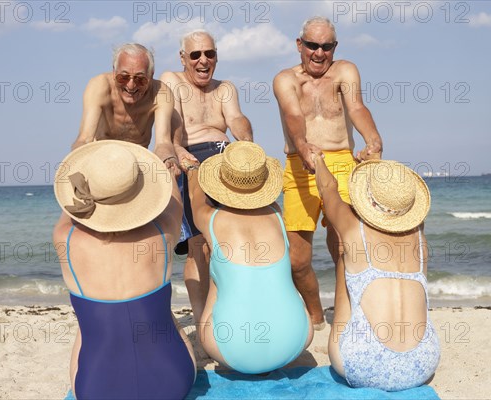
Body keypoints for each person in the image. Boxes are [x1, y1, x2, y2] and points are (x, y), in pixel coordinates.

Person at [53, 140, 196, 399]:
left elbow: (69, 207)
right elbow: (173, 199)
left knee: (87, 325)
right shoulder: (162, 233)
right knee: (162, 313)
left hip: (95, 391)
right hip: (172, 384)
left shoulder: (65, 237)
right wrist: (165, 155)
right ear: (139, 195)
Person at [273, 16, 383, 328]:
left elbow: (357, 107)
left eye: (326, 46)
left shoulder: (345, 71)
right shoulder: (285, 79)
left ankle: (348, 312)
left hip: (342, 163)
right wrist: (302, 144)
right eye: (312, 45)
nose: (318, 53)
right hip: (300, 165)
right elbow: (293, 114)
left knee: (345, 246)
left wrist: (372, 139)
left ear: (334, 48)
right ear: (299, 45)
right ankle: (315, 314)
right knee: (297, 260)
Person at [313, 155, 440, 391]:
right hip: (422, 363)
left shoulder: (353, 230)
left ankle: (345, 338)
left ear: (366, 199)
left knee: (345, 257)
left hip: (364, 365)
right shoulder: (420, 237)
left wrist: (318, 161)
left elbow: (328, 188)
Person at [186, 141, 314, 374]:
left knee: (209, 253)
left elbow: (196, 194)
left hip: (231, 351)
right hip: (297, 340)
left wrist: (192, 169)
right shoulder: (277, 213)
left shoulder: (210, 219)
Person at [160, 29, 253, 327]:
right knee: (198, 245)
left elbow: (236, 118)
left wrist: (247, 143)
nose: (203, 60)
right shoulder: (171, 80)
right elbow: (171, 120)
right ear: (183, 58)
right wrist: (177, 150)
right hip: (191, 159)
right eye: (196, 54)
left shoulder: (225, 88)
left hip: (226, 159)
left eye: (209, 54)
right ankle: (202, 319)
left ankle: (230, 309)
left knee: (229, 240)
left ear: (216, 57)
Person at [71, 43, 180, 174]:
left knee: (170, 173)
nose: (131, 85)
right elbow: (85, 139)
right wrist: (75, 165)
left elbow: (163, 143)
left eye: (140, 79)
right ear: (114, 72)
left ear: (151, 75)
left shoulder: (161, 93)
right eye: (123, 77)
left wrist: (168, 159)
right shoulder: (99, 86)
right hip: (102, 161)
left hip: (138, 164)